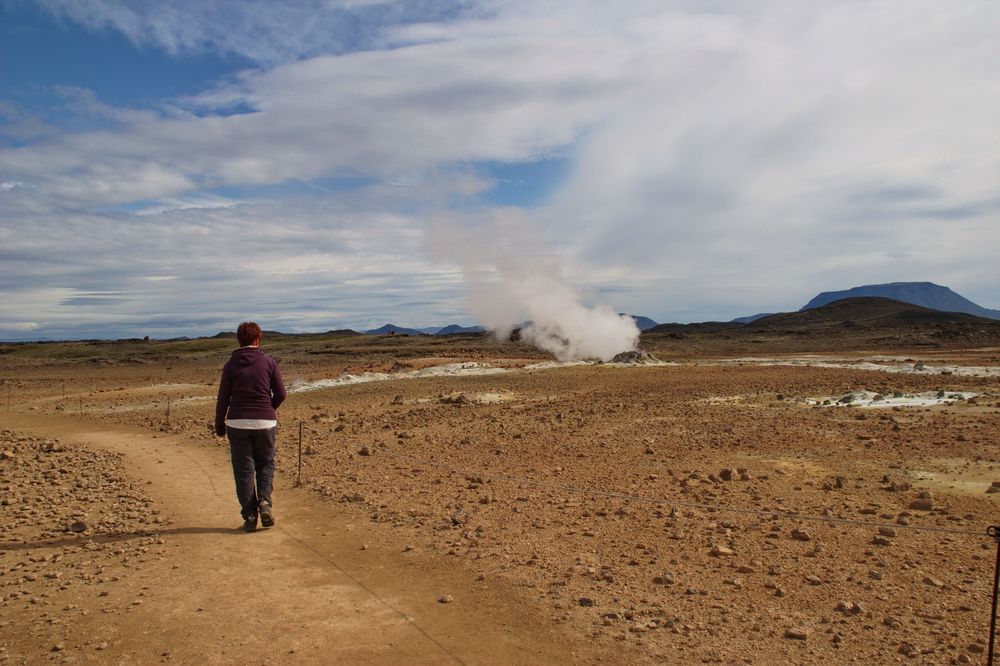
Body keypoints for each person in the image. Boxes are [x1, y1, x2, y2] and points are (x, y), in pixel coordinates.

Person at [215, 322, 286, 532]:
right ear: (258, 339)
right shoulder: (269, 362)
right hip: (265, 422)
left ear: (238, 339)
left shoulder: (230, 366)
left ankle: (249, 515)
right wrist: (267, 409)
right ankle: (264, 502)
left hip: (237, 423)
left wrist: (220, 424)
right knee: (265, 463)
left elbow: (223, 399)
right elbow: (281, 394)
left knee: (244, 471)